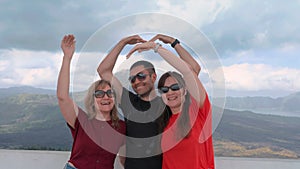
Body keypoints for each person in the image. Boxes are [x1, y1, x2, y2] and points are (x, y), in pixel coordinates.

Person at [97, 34, 200, 169]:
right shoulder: (128, 101)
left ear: (153, 76)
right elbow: (103, 70)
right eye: (132, 79)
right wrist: (123, 42)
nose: (137, 82)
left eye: (141, 76)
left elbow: (193, 70)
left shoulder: (167, 102)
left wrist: (173, 42)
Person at [127, 41, 215, 169]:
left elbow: (189, 70)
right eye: (164, 90)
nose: (170, 92)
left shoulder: (198, 111)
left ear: (185, 90)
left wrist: (156, 47)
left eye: (175, 87)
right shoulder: (165, 120)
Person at [57, 34, 126, 169]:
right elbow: (62, 96)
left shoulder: (122, 127)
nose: (105, 97)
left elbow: (124, 158)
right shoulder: (82, 120)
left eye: (109, 93)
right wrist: (67, 58)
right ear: (92, 100)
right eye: (99, 94)